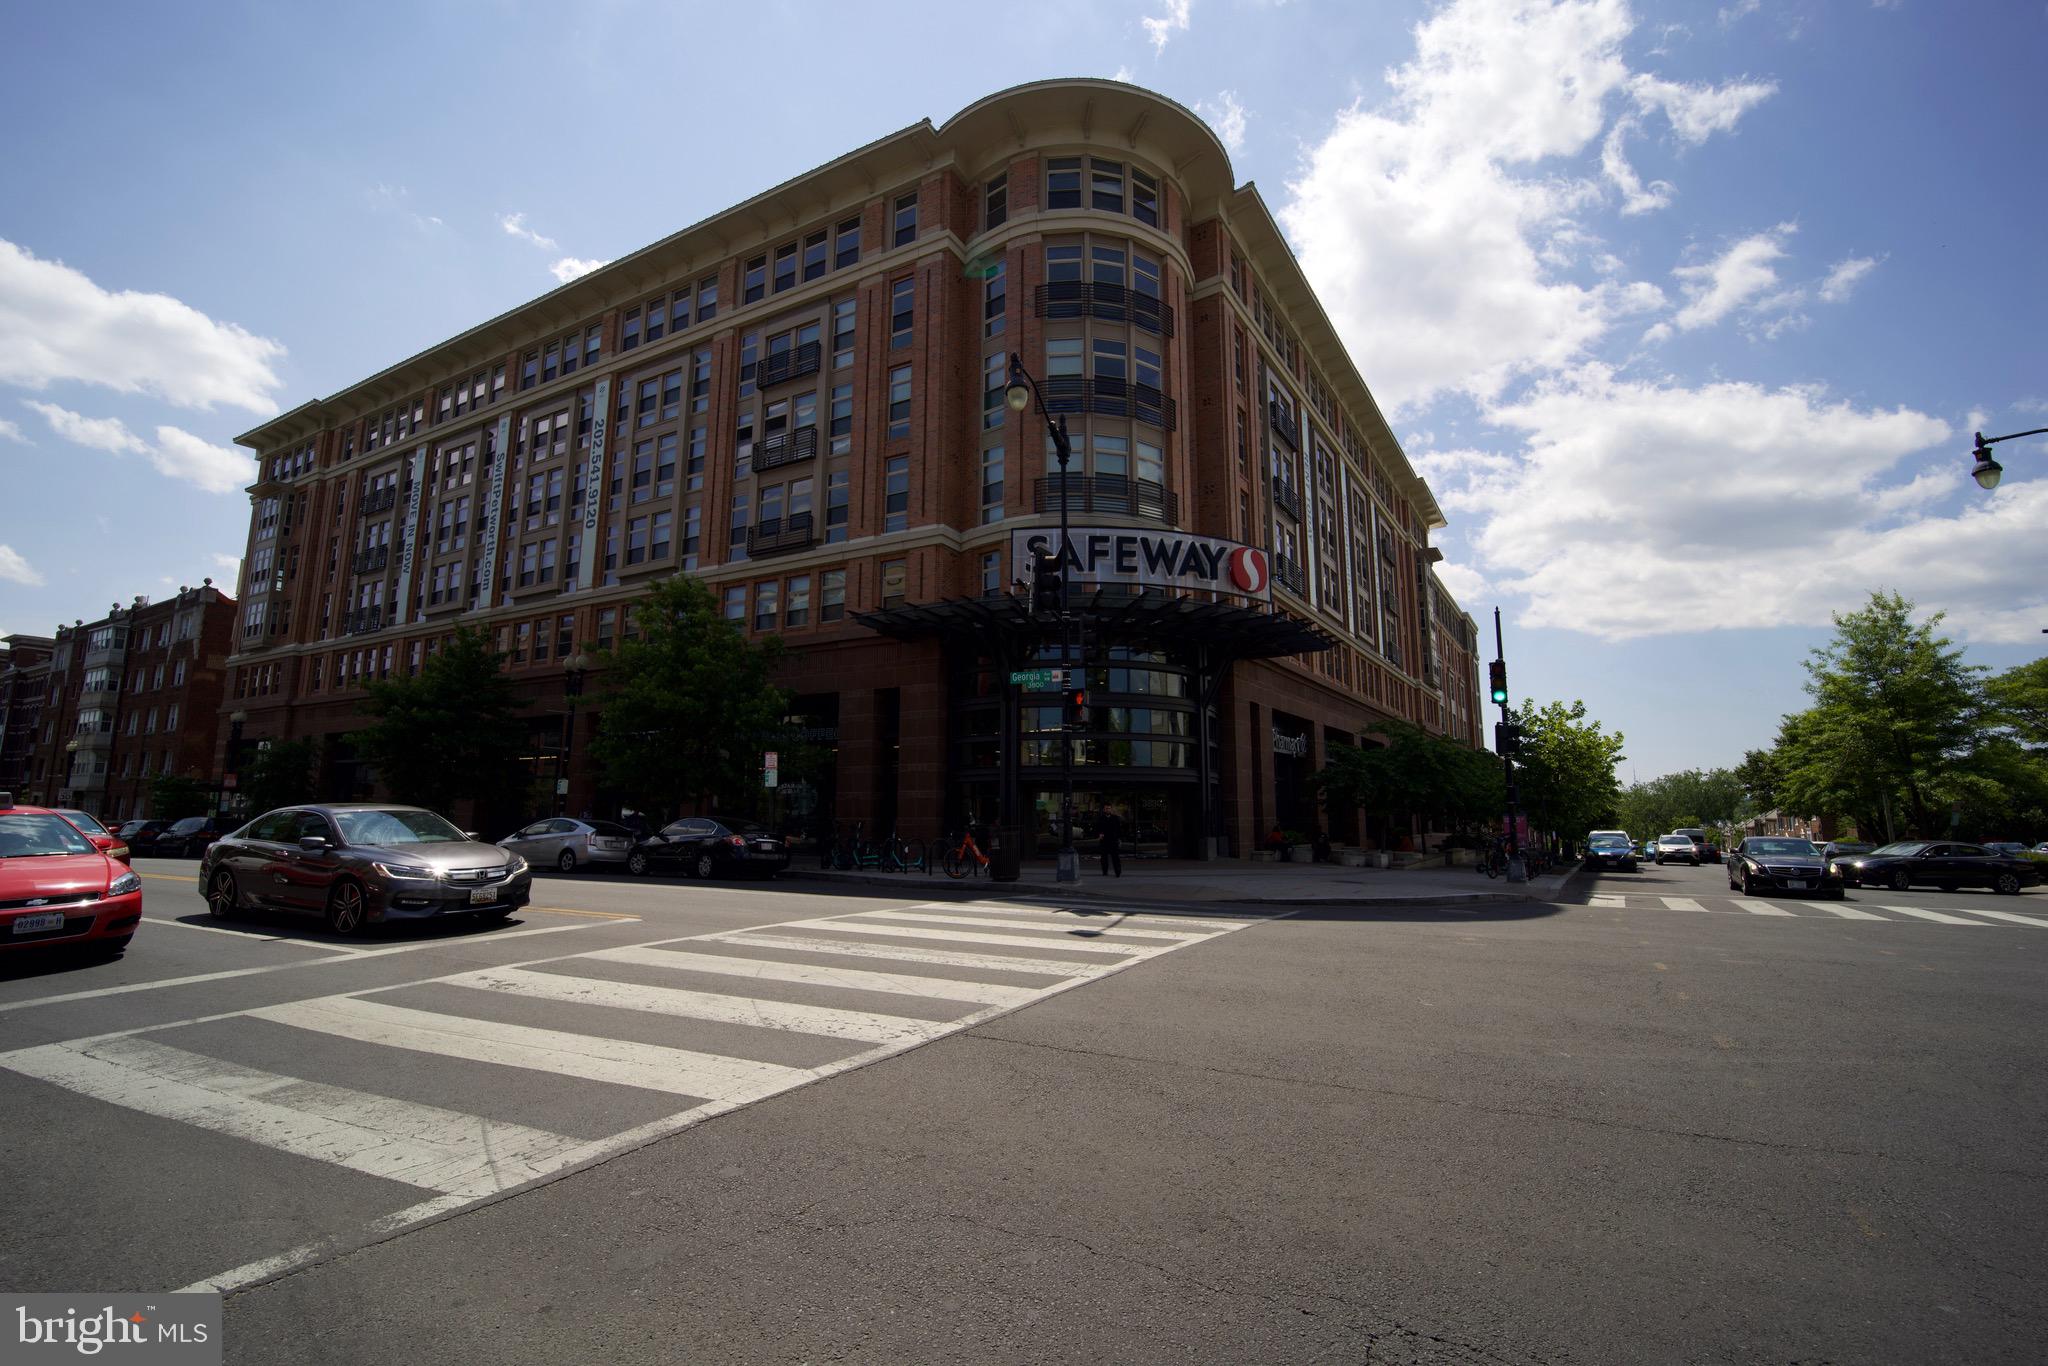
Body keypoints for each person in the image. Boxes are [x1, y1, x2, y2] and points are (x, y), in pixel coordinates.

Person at [1097, 804, 1124, 878]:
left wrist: (1119, 839)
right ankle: (1105, 871)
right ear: (1104, 810)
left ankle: (1117, 872)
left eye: (1109, 808)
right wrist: (1099, 834)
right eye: (1106, 808)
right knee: (1104, 858)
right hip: (1104, 840)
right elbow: (1098, 828)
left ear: (1111, 809)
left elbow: (1119, 830)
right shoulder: (1101, 818)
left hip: (1113, 840)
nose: (1107, 810)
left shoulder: (1115, 818)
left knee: (1115, 857)